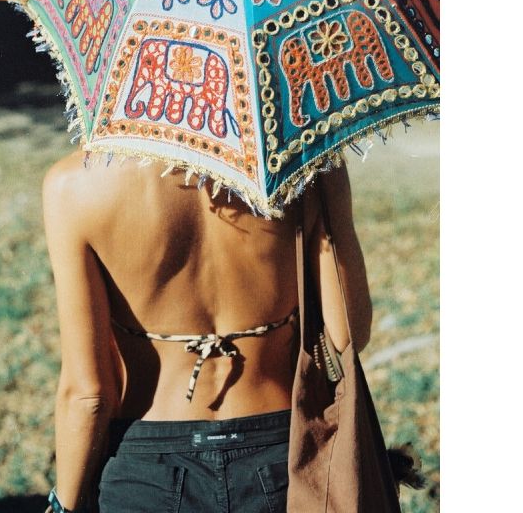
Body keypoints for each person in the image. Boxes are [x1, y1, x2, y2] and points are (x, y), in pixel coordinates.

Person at [40, 151, 373, 513]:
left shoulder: (73, 184)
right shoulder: (303, 165)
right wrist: (329, 186)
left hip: (146, 469)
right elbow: (347, 334)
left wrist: (64, 507)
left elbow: (88, 395)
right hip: (283, 456)